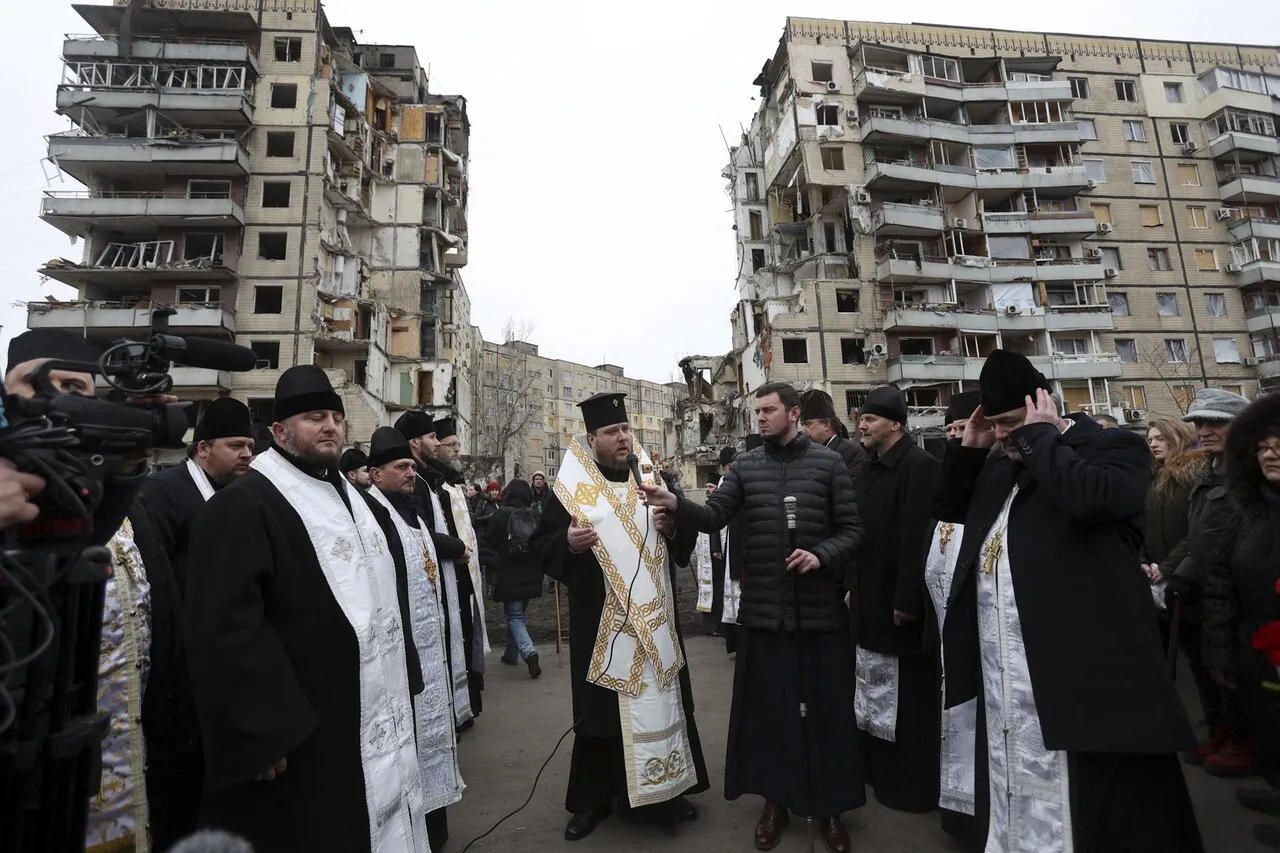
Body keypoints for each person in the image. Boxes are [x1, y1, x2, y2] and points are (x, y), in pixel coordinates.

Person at [935, 349, 1202, 852]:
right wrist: (970, 451)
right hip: (1010, 673)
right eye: (994, 425)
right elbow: (951, 514)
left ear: (1043, 404)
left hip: (1086, 669)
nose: (1003, 435)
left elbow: (1092, 499)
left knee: (1102, 811)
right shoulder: (1003, 460)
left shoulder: (1111, 446)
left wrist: (1037, 436)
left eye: (1010, 422)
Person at [185, 365, 428, 853]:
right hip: (309, 724)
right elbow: (225, 630)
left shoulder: (353, 498)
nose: (330, 426)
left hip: (369, 703)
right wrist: (258, 731)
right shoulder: (244, 505)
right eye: (314, 417)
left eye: (336, 417)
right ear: (279, 431)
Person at [643, 382, 864, 853]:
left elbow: (852, 531)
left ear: (795, 413)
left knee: (825, 716)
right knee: (771, 716)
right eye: (756, 411)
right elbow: (715, 516)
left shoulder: (829, 464)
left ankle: (830, 809)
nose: (759, 418)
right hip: (764, 616)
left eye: (768, 410)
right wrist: (675, 503)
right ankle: (775, 802)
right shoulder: (744, 467)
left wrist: (821, 555)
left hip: (818, 616)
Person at [4, 329, 180, 853]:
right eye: (45, 386)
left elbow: (85, 534)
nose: (61, 405)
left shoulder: (80, 485)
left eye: (80, 391)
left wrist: (124, 463)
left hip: (55, 740)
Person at [530, 392, 709, 842]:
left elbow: (681, 532)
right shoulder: (571, 489)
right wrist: (568, 543)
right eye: (613, 432)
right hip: (602, 623)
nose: (624, 437)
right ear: (592, 439)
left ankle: (667, 793)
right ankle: (592, 799)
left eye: (626, 429)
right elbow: (541, 544)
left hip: (656, 617)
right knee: (601, 714)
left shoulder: (652, 476)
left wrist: (674, 528)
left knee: (663, 702)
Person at [136, 397, 256, 849]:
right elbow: (156, 585)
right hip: (176, 678)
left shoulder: (241, 496)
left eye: (250, 445)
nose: (247, 454)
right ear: (202, 449)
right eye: (236, 445)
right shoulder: (164, 494)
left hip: (223, 671)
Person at [364, 426, 465, 851]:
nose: (409, 473)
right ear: (374, 473)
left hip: (429, 646)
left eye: (410, 466)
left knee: (432, 741)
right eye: (400, 467)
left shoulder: (411, 510)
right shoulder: (372, 516)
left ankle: (434, 830)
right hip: (402, 651)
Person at [850, 385, 942, 814]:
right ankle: (878, 773)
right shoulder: (868, 469)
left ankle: (909, 784)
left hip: (898, 606)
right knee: (872, 691)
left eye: (870, 419)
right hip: (868, 599)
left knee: (906, 697)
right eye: (861, 418)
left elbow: (916, 539)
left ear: (896, 424)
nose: (861, 425)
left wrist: (907, 599)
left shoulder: (920, 467)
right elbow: (860, 536)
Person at [1204, 392, 1280, 848]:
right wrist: (1223, 650)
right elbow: (1220, 580)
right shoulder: (1251, 508)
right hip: (1258, 650)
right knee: (1271, 731)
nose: (1271, 452)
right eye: (1264, 446)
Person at [1177, 389, 1255, 776]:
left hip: (1246, 598)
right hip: (1214, 594)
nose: (1204, 431)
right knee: (1220, 670)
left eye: (1215, 423)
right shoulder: (1209, 471)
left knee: (1243, 675)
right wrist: (1183, 575)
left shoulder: (1249, 474)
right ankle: (1232, 733)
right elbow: (1202, 536)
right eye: (1199, 424)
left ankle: (1249, 744)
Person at [396, 412, 486, 723]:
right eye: (434, 438)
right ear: (414, 441)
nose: (438, 444)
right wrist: (458, 547)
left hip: (453, 570)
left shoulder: (433, 478)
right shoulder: (420, 481)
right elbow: (420, 530)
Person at [923, 390, 983, 847]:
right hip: (943, 624)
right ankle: (956, 809)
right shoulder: (949, 483)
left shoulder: (991, 480)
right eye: (949, 433)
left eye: (963, 430)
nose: (956, 440)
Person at [1141, 417, 1204, 654]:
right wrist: (1142, 560)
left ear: (1180, 436)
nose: (1154, 444)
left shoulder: (1194, 475)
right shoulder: (1154, 478)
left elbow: (1197, 529)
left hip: (1190, 580)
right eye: (1150, 440)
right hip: (1159, 579)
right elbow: (1144, 525)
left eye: (1161, 438)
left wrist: (1167, 567)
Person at [487, 478, 544, 678]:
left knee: (515, 616)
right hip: (531, 574)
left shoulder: (499, 516)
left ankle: (529, 652)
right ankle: (511, 655)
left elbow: (490, 542)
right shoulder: (535, 516)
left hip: (508, 574)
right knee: (518, 614)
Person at [800, 388, 866, 477]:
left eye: (808, 424)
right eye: (802, 424)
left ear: (827, 425)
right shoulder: (806, 452)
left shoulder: (853, 453)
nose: (804, 429)